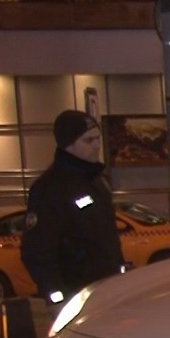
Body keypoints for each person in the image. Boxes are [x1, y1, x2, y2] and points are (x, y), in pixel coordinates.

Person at [20, 110, 124, 309]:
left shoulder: (98, 182)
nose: (96, 145)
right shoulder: (50, 188)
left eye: (97, 139)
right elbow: (38, 250)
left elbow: (107, 238)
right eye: (88, 140)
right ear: (68, 144)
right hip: (75, 294)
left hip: (107, 291)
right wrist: (57, 298)